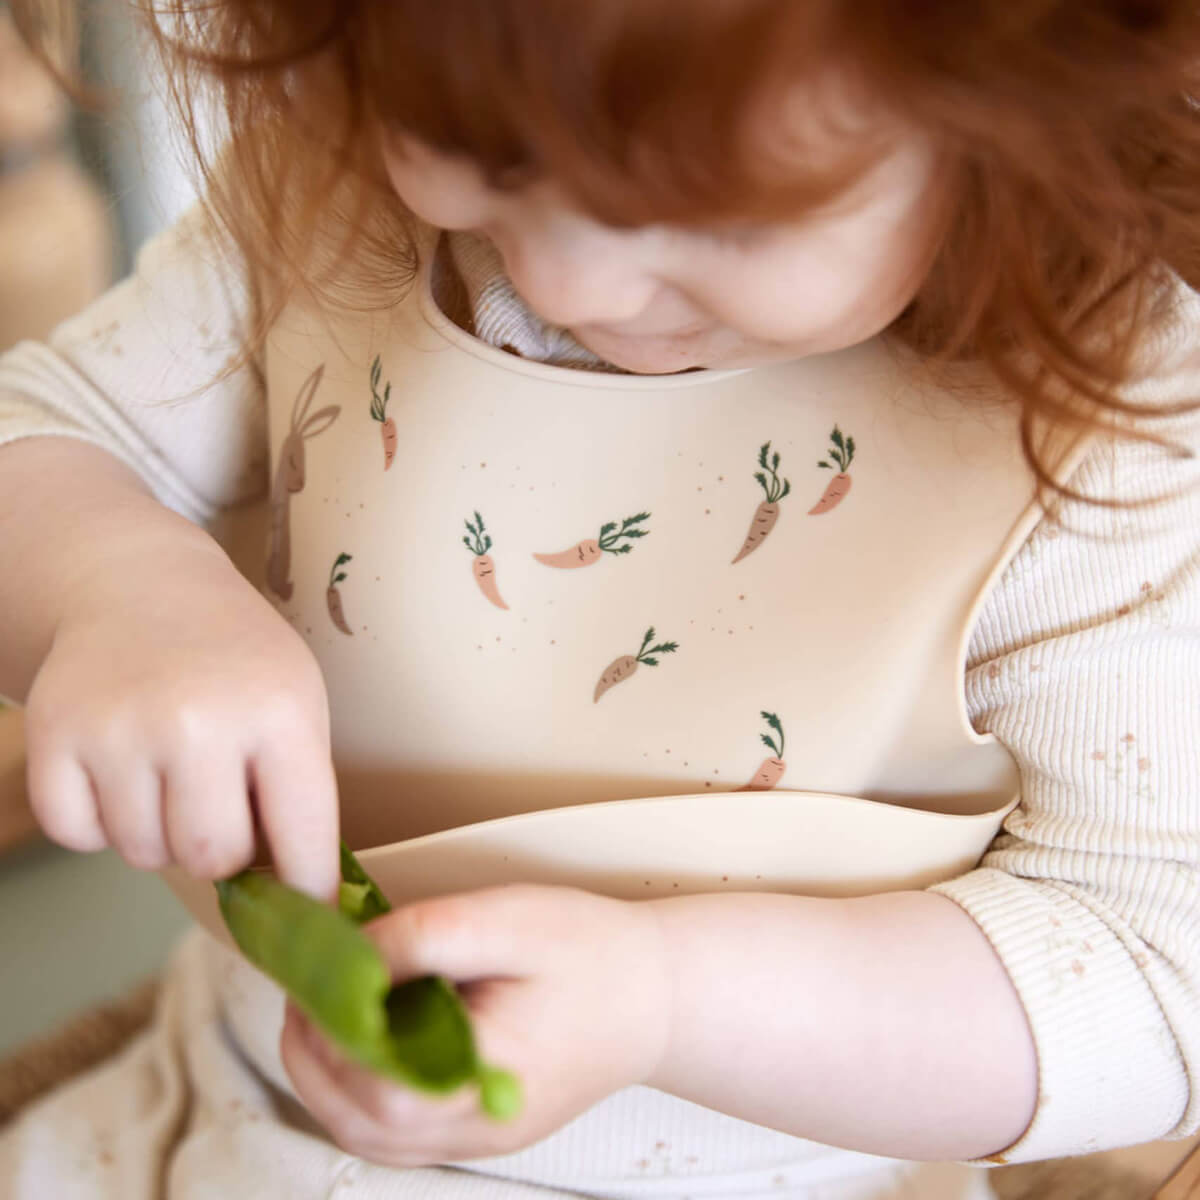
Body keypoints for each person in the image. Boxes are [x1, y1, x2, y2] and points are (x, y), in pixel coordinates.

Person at [0, 2, 1197, 1197]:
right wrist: (119, 587)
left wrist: (665, 1001)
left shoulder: (1115, 434)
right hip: (229, 1117)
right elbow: (41, 431)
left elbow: (1153, 975)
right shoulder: (330, 196)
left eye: (714, 209)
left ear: (1022, 113)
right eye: (472, 151)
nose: (565, 278)